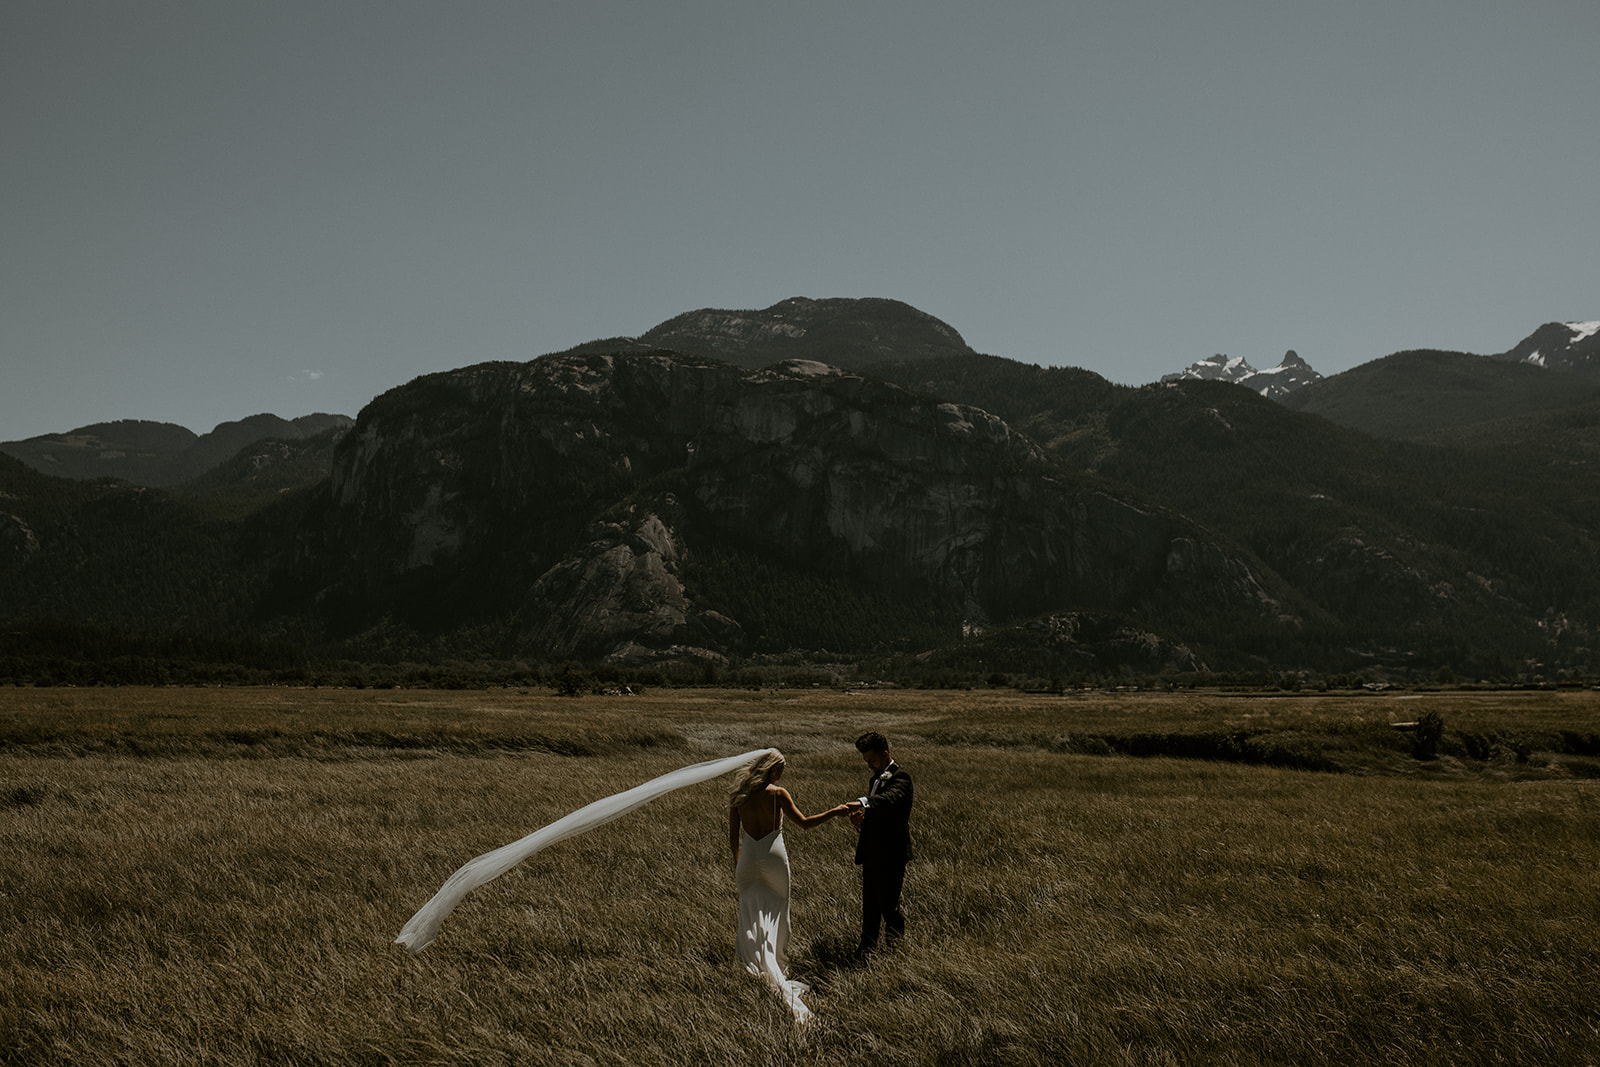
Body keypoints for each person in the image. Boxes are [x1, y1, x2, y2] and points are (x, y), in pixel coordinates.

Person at [728, 749, 853, 1024]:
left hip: (747, 860)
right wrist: (834, 812)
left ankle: (750, 964)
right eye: (780, 770)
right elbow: (805, 824)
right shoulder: (778, 794)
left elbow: (733, 837)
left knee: (748, 912)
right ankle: (777, 965)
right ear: (774, 770)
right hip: (773, 858)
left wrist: (741, 865)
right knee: (778, 911)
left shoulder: (738, 795)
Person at [849, 731, 913, 956]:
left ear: (885, 754)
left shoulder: (901, 777)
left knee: (889, 905)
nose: (869, 765)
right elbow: (875, 816)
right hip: (872, 852)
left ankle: (895, 950)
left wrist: (862, 801)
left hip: (892, 853)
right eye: (866, 761)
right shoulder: (875, 779)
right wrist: (860, 823)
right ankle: (866, 948)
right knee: (870, 905)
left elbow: (889, 800)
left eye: (872, 760)